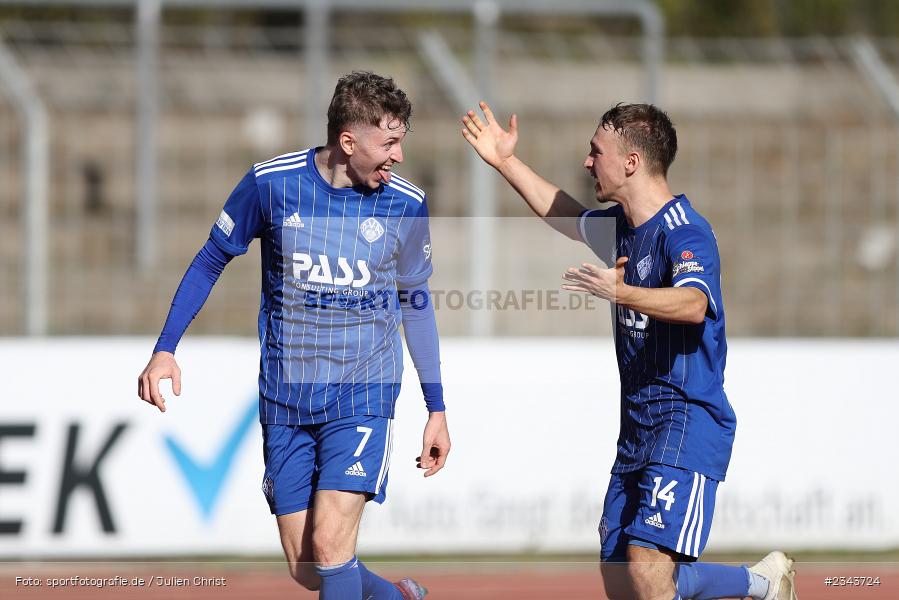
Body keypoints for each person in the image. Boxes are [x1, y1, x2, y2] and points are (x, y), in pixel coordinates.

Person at [461, 101, 797, 600]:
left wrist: (621, 293)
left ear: (632, 162)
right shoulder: (624, 227)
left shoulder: (685, 230)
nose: (587, 161)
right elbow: (566, 216)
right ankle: (761, 584)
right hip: (638, 426)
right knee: (623, 580)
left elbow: (693, 303)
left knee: (647, 570)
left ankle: (759, 585)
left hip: (687, 419)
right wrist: (505, 161)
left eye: (596, 151)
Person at [138, 71, 449, 600]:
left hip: (363, 393)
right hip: (286, 396)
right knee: (309, 567)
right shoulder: (271, 183)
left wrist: (435, 406)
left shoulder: (405, 203)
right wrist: (165, 348)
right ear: (348, 143)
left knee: (330, 548)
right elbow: (212, 258)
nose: (398, 155)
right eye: (389, 142)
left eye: (402, 141)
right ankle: (398, 598)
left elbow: (414, 304)